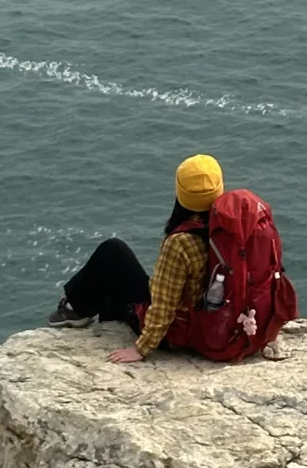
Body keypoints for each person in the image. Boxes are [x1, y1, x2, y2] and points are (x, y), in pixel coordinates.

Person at [47, 153, 223, 365]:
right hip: (214, 315)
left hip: (180, 330)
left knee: (113, 251)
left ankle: (75, 310)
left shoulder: (181, 242)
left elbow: (164, 305)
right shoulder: (230, 227)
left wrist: (142, 348)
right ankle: (90, 313)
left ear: (180, 193)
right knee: (114, 283)